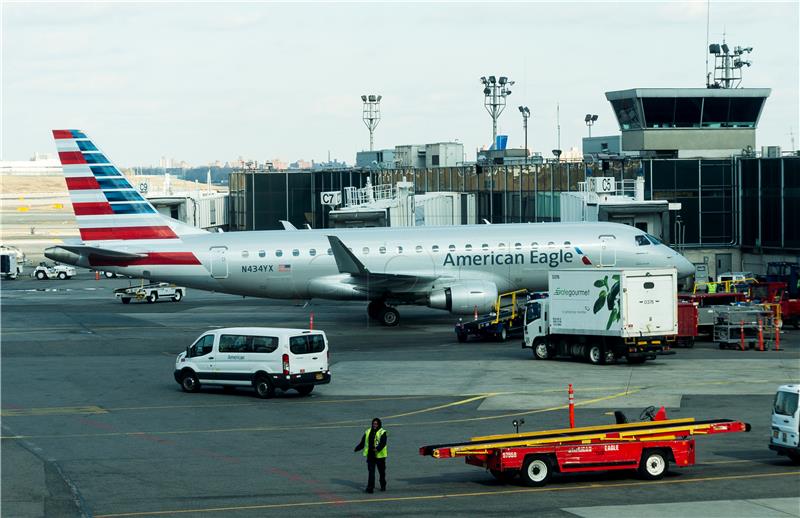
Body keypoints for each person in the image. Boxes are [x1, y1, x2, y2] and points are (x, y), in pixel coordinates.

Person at [354, 417, 387, 493]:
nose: (374, 425)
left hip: (380, 456)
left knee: (381, 472)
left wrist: (377, 449)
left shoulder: (383, 432)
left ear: (379, 424)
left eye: (376, 424)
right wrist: (357, 448)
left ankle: (383, 485)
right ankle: (370, 488)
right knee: (371, 472)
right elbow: (363, 442)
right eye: (373, 423)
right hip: (371, 455)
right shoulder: (368, 431)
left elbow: (383, 443)